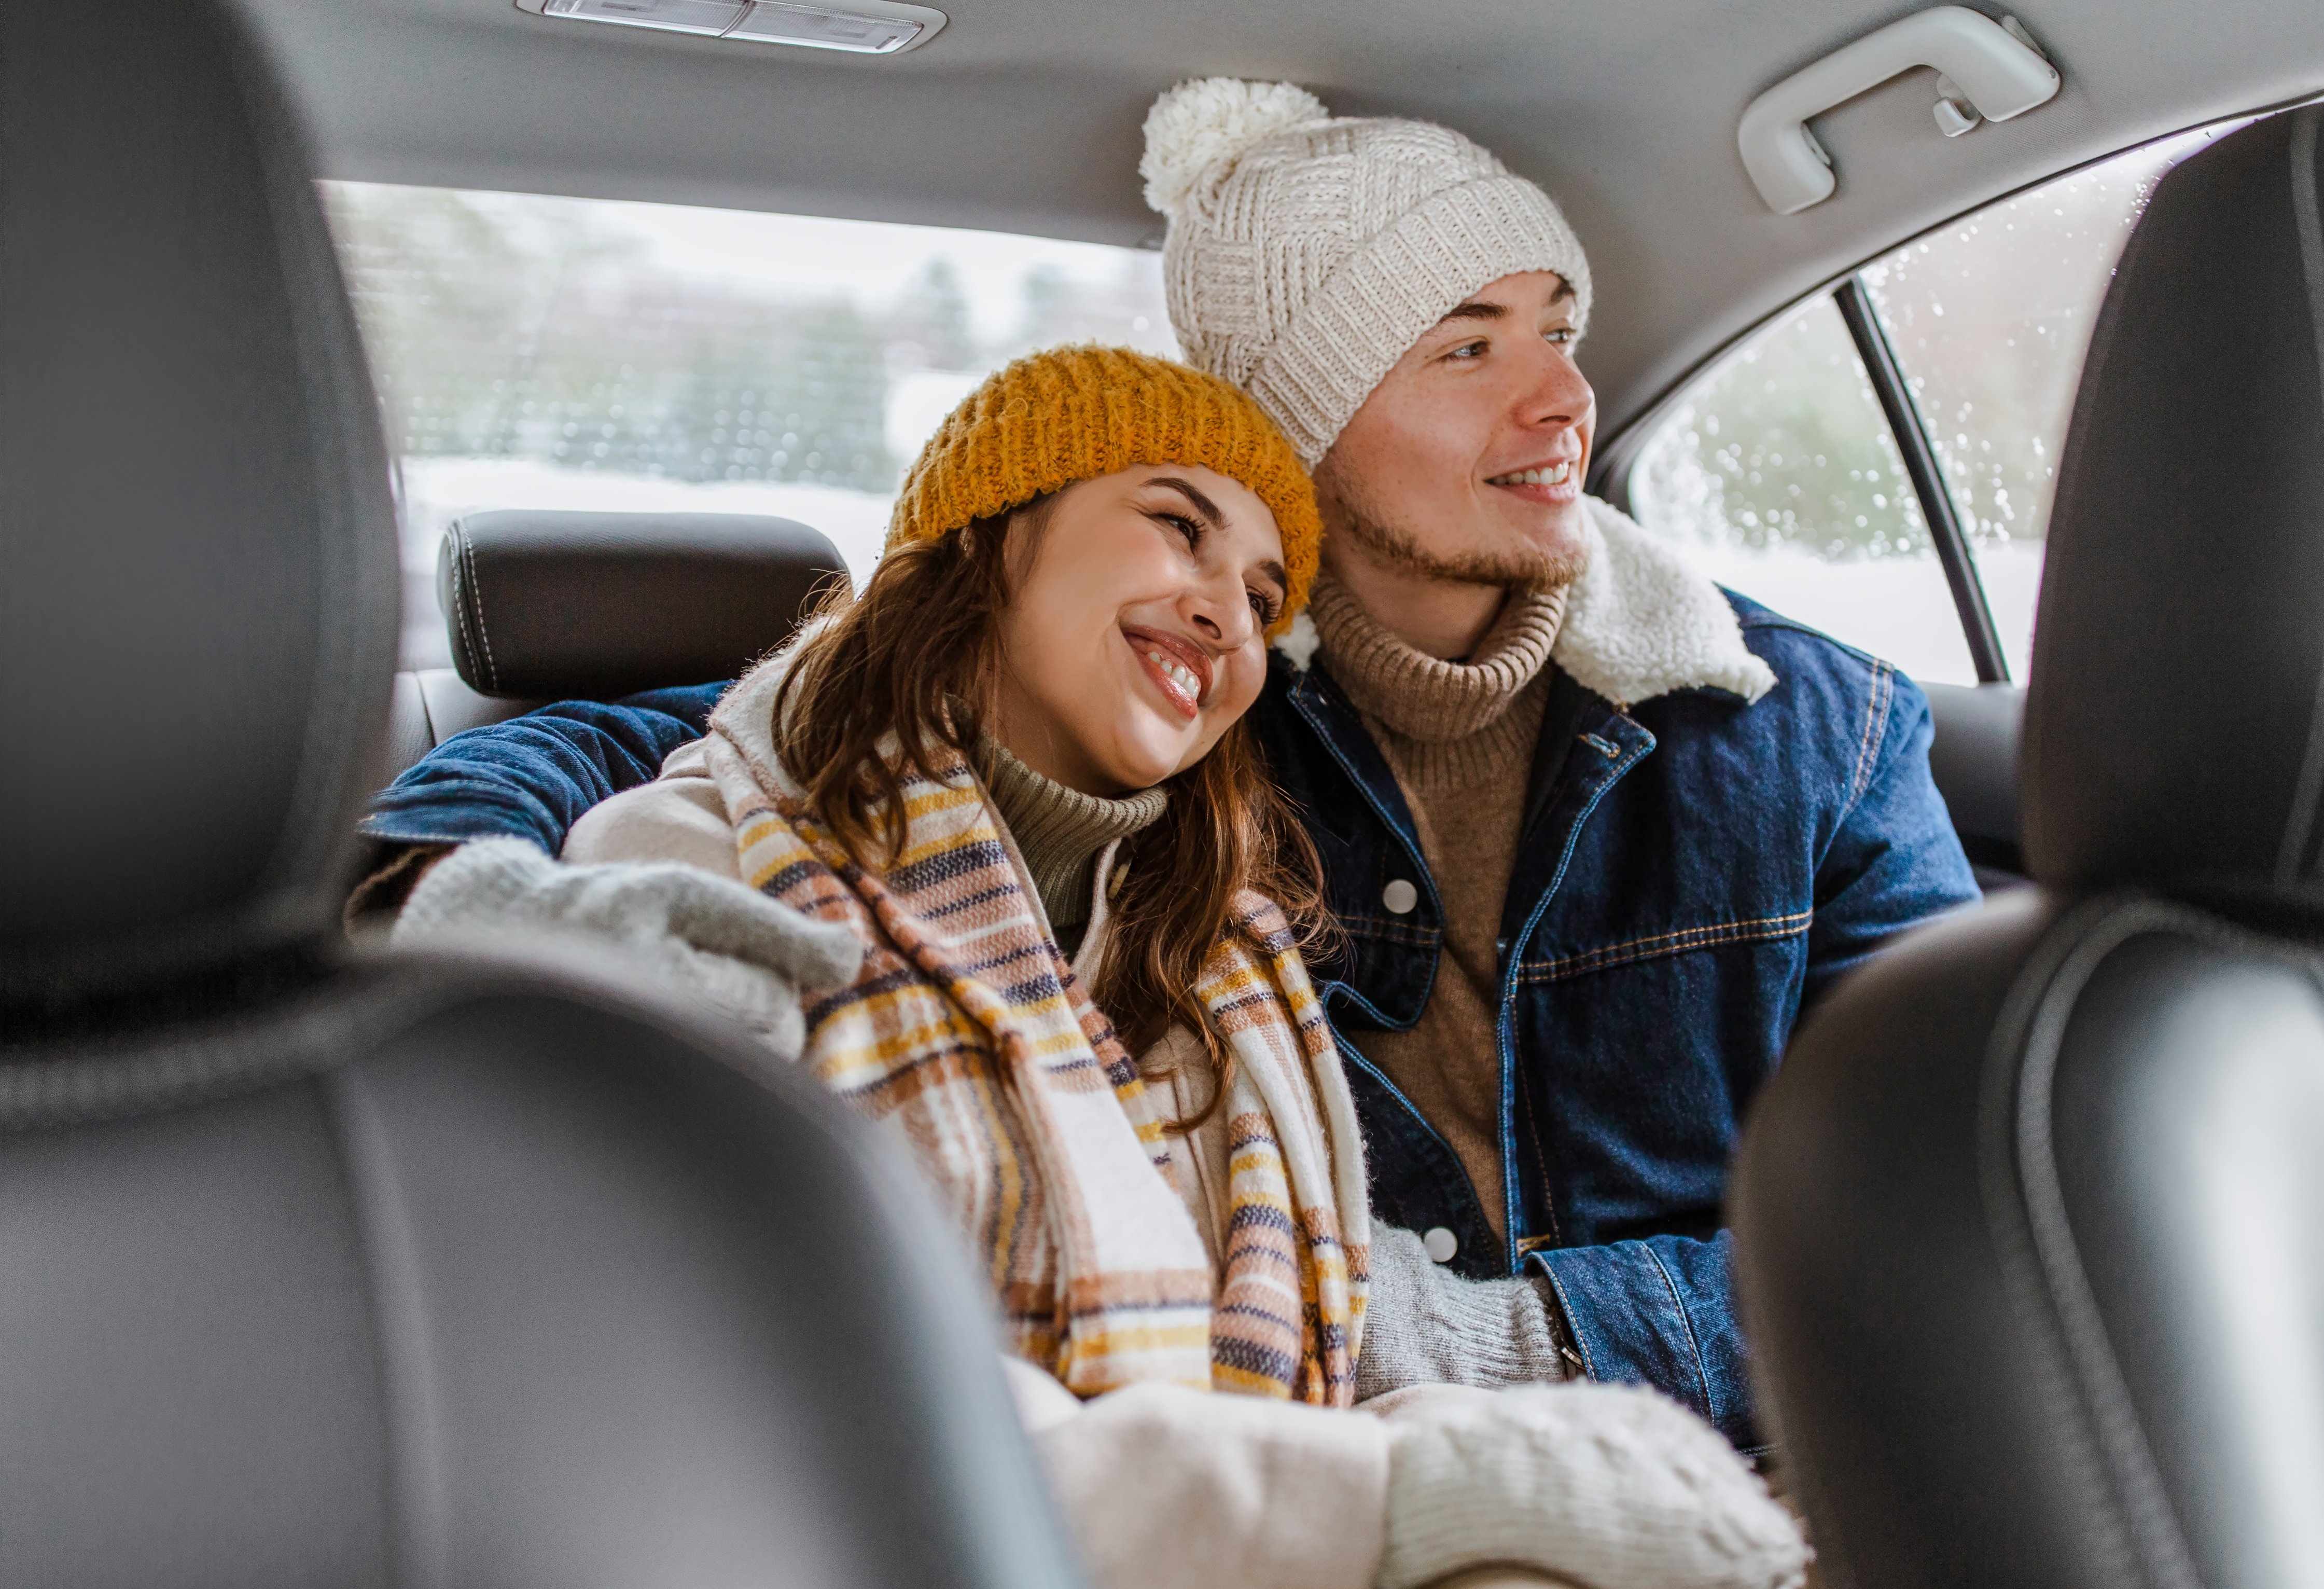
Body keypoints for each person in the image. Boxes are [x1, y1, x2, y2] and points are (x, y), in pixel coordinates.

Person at [363, 81, 1981, 1449]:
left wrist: (1523, 1348)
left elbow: (1961, 1227)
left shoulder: (1810, 729)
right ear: (1306, 416)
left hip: (1708, 1459)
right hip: (1302, 1460)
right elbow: (728, 738)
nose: (1565, 398)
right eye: (1468, 351)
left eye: (1558, 333)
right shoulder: (1179, 707)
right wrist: (456, 900)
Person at [392, 347, 1808, 1589]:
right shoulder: (702, 867)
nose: (1226, 615)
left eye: (1264, 596)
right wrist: (1399, 1496)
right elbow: (787, 1414)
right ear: (994, 538)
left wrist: (1560, 1461)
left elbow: (1311, 1364)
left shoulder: (1220, 964)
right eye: (1176, 529)